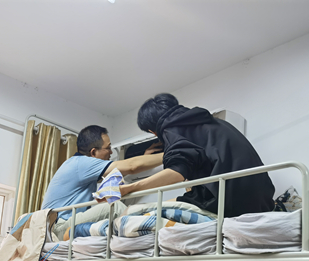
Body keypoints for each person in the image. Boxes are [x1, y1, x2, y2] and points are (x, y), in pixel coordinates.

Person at [119, 93, 275, 217]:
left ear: (152, 131)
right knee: (181, 198)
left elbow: (177, 172)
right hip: (263, 200)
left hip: (230, 201)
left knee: (134, 212)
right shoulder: (215, 123)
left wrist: (130, 188)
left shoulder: (172, 129)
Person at [42, 125, 163, 239]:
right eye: (108, 148)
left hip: (55, 227)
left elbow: (115, 173)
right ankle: (156, 229)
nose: (111, 152)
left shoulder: (76, 164)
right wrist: (169, 154)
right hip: (57, 228)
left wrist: (145, 157)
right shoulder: (82, 163)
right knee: (114, 206)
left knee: (115, 200)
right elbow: (131, 166)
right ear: (93, 152)